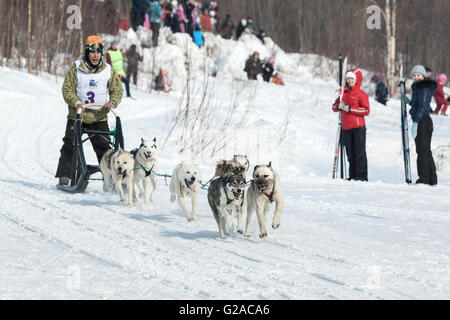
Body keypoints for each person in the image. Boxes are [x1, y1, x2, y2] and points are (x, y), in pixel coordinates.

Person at [56, 35, 123, 186]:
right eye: (92, 52)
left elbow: (117, 90)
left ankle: (112, 178)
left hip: (99, 117)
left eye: (98, 52)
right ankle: (65, 176)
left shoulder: (108, 70)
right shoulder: (77, 68)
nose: (95, 55)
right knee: (70, 144)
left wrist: (112, 102)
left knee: (105, 149)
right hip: (78, 116)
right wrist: (75, 102)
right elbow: (67, 89)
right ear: (87, 52)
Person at [332, 69, 370, 181]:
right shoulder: (343, 93)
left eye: (352, 78)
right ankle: (353, 176)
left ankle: (362, 176)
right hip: (346, 128)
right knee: (350, 154)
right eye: (348, 78)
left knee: (359, 153)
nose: (350, 80)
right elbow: (334, 107)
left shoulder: (361, 94)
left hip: (358, 128)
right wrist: (339, 106)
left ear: (356, 80)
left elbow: (366, 110)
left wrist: (349, 109)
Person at [403, 65, 437, 185]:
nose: (416, 77)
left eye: (419, 75)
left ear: (423, 76)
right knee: (426, 151)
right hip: (424, 120)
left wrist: (416, 122)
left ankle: (424, 179)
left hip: (422, 121)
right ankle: (431, 179)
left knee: (422, 151)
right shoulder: (419, 89)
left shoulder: (422, 89)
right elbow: (418, 104)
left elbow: (422, 108)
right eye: (414, 75)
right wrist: (409, 101)